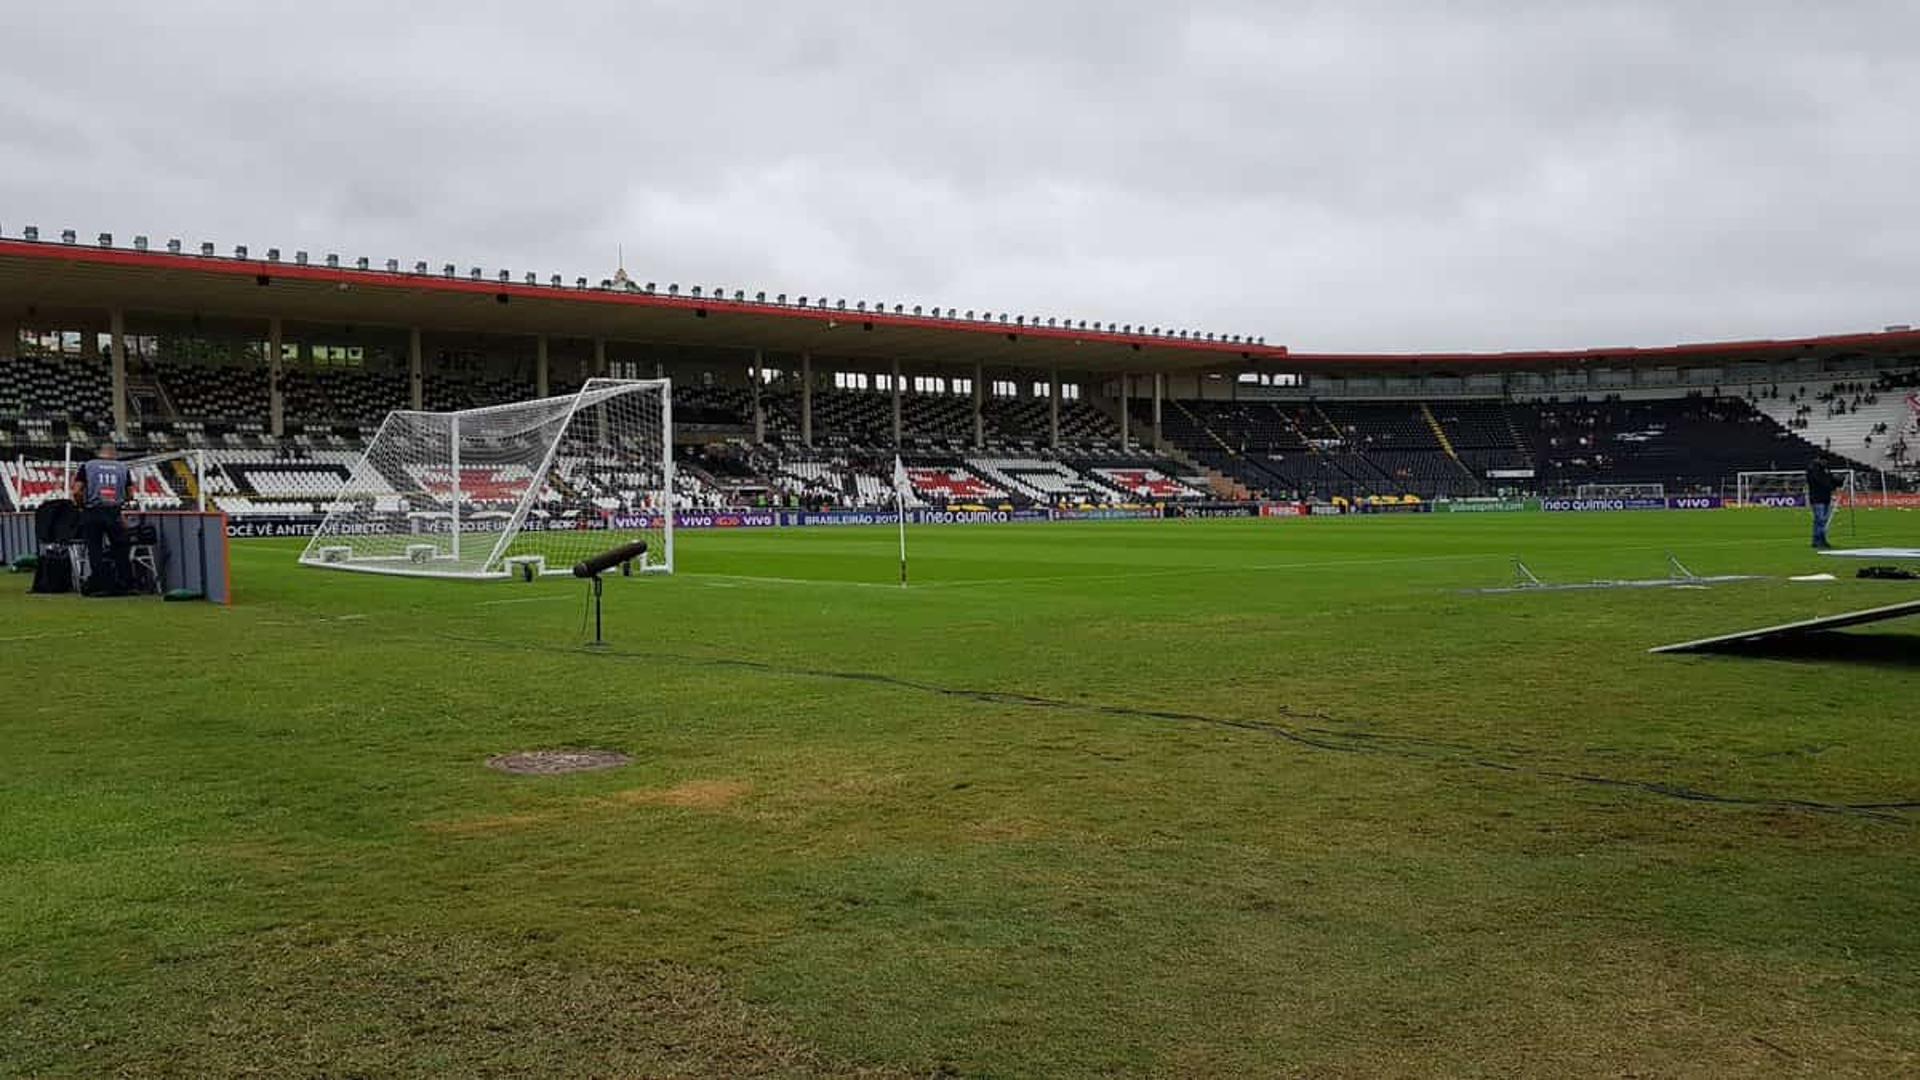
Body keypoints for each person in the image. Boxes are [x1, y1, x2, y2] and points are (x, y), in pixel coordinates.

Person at [77, 441, 135, 595]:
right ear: (114, 454)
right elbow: (131, 494)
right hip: (114, 512)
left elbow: (76, 490)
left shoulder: (87, 466)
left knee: (95, 549)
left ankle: (100, 585)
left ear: (99, 453)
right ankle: (124, 584)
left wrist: (82, 505)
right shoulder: (123, 468)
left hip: (93, 511)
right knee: (121, 549)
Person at [1806, 458, 1838, 550]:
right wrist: (1831, 485)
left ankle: (1817, 540)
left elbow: (1830, 480)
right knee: (1820, 520)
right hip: (1817, 499)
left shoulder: (1825, 470)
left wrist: (1837, 481)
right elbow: (1820, 482)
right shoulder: (1813, 470)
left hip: (1825, 498)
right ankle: (1820, 540)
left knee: (1821, 521)